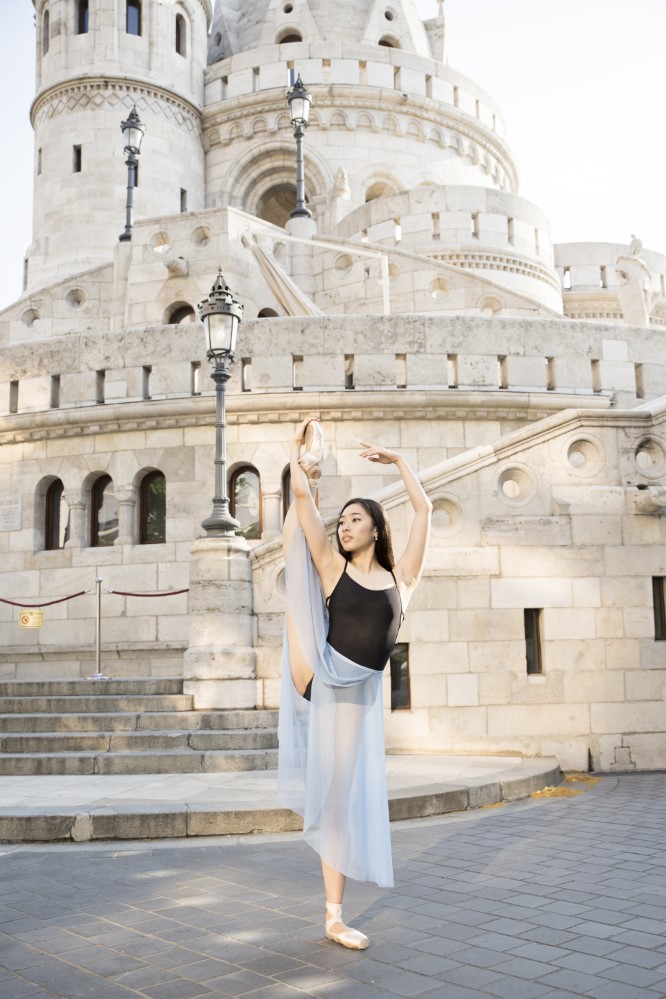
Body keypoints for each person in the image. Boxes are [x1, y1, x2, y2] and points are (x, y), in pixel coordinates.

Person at [277, 416, 432, 951]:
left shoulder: (400, 579)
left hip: (358, 689)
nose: (344, 526)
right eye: (340, 519)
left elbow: (425, 510)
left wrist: (400, 463)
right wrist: (302, 460)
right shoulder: (331, 569)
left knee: (339, 799)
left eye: (354, 518)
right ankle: (334, 916)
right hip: (321, 672)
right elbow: (303, 504)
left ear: (375, 529)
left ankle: (333, 916)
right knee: (295, 549)